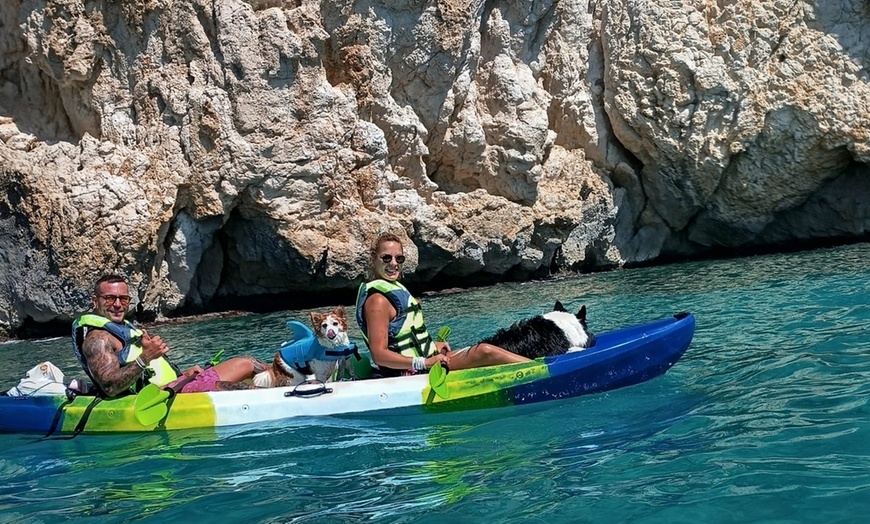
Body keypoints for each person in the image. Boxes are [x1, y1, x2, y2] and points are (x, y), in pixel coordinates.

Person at [355, 232, 530, 376]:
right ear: (374, 259)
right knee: (484, 352)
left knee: (482, 351)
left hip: (427, 361)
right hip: (411, 372)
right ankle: (539, 371)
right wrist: (424, 362)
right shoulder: (377, 300)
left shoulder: (393, 289)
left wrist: (432, 346)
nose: (393, 264)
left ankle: (536, 366)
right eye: (386, 258)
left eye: (399, 259)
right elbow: (379, 355)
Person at [71, 274, 269, 398]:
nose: (117, 304)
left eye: (123, 299)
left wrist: (183, 375)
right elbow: (110, 387)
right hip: (157, 395)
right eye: (109, 299)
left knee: (248, 363)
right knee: (236, 388)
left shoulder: (124, 328)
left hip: (178, 383)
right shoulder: (97, 339)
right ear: (95, 301)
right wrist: (145, 357)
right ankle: (279, 397)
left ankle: (285, 377)